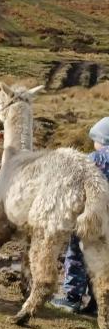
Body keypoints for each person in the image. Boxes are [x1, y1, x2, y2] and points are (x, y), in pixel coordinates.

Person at [50, 117, 109, 315]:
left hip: (91, 218)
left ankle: (71, 297)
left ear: (101, 140)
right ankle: (97, 302)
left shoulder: (92, 160)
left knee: (78, 254)